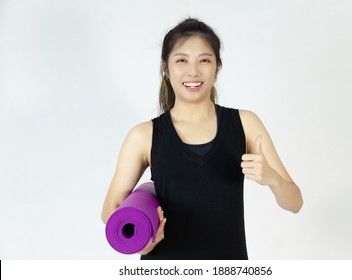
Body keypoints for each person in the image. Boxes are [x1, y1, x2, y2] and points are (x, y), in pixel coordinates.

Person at [101, 18, 303, 260]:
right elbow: (110, 211)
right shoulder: (143, 135)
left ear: (217, 67)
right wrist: (142, 244)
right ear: (166, 68)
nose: (193, 71)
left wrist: (272, 178)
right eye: (182, 60)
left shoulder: (245, 123)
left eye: (204, 60)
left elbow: (295, 203)